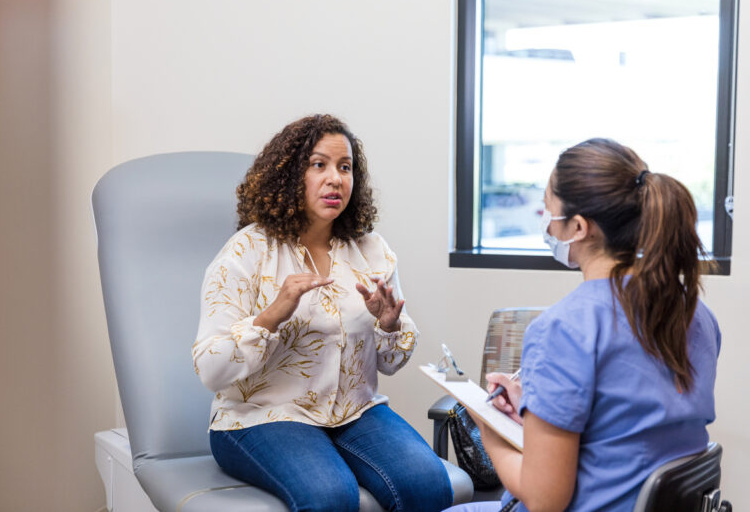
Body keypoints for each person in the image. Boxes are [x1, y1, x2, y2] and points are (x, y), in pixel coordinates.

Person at [192, 114, 453, 512]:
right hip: (260, 416)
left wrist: (389, 325)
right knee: (330, 496)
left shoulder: (372, 251)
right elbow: (210, 370)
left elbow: (390, 363)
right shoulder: (246, 252)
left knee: (430, 485)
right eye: (319, 165)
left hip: (354, 412)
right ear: (289, 176)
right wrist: (271, 316)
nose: (336, 179)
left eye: (345, 167)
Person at [446, 138, 721, 512]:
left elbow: (545, 499)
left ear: (577, 226)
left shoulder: (563, 329)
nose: (545, 222)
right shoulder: (694, 313)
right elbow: (628, 428)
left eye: (548, 210)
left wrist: (487, 427)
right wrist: (538, 408)